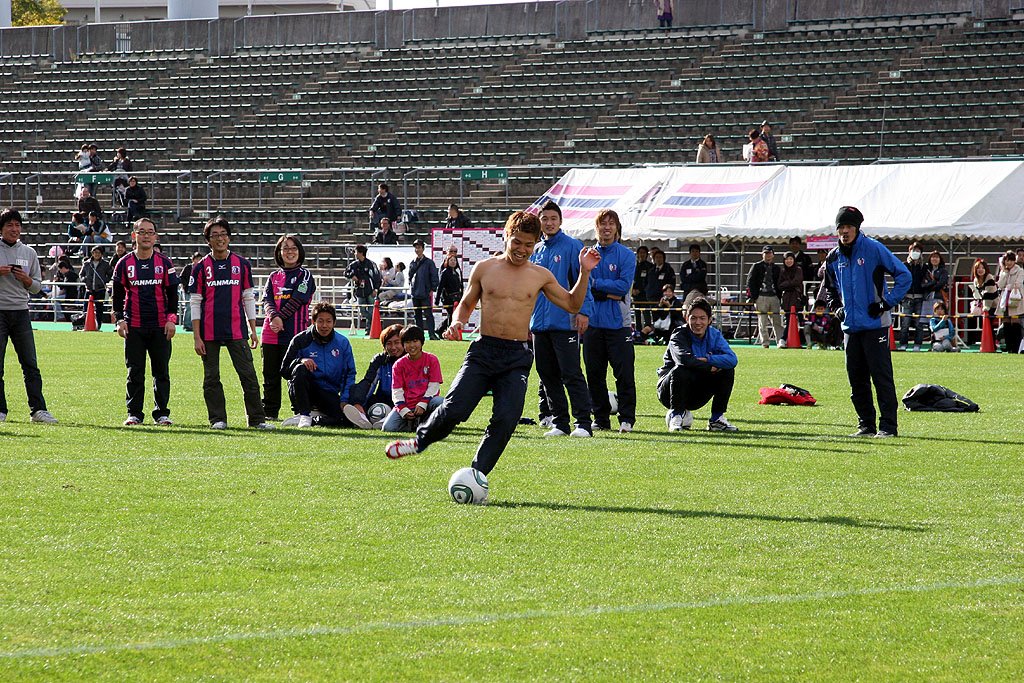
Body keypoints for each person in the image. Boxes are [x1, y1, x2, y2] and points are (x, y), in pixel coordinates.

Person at [384, 211, 600, 478]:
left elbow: (572, 304)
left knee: (506, 419)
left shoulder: (540, 275)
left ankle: (477, 475)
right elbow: (466, 303)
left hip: (516, 355)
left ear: (535, 244)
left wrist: (584, 272)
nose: (522, 249)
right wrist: (458, 321)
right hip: (484, 351)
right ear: (506, 236)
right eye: (517, 242)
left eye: (529, 244)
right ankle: (419, 442)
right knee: (455, 408)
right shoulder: (485, 268)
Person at [823, 206, 911, 438]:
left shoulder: (874, 248)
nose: (844, 231)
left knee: (881, 378)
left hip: (875, 326)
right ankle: (866, 425)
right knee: (856, 380)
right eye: (841, 227)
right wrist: (836, 308)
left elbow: (904, 275)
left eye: (849, 226)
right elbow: (829, 288)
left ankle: (888, 427)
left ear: (857, 228)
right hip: (850, 328)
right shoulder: (833, 256)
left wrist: (886, 303)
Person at [189, 216, 274, 430]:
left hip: (237, 330)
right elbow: (196, 302)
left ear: (229, 237)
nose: (220, 239)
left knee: (248, 375)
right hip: (209, 332)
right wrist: (196, 336)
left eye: (223, 234)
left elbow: (248, 298)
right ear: (208, 240)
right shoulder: (200, 268)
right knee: (211, 377)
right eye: (215, 235)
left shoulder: (241, 264)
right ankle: (218, 419)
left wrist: (253, 329)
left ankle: (257, 420)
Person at [529, 200, 594, 438]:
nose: (549, 223)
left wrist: (583, 311)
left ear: (560, 221)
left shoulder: (572, 246)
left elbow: (584, 281)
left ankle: (583, 423)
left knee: (571, 373)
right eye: (545, 219)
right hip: (539, 324)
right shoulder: (536, 250)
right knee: (547, 374)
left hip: (564, 322)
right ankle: (560, 423)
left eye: (553, 219)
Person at [112, 218, 179, 426]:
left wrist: (171, 320)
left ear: (156, 236)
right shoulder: (124, 263)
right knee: (135, 372)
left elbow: (173, 294)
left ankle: (162, 414)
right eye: (142, 232)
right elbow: (117, 295)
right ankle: (134, 414)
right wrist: (120, 320)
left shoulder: (165, 263)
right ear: (134, 236)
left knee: (161, 372)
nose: (146, 236)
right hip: (134, 326)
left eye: (150, 232)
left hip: (160, 326)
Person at [0, 209, 57, 423]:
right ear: (1, 229)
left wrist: (26, 280)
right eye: (9, 225)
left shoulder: (29, 252)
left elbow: (37, 287)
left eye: (17, 225)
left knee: (30, 364)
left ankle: (38, 410)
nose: (14, 229)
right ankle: (1, 410)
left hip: (21, 312)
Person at [584, 209, 637, 433]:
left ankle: (627, 419)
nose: (606, 227)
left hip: (619, 325)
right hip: (592, 323)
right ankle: (600, 418)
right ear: (596, 228)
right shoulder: (586, 255)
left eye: (611, 223)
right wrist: (608, 291)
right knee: (594, 375)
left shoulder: (626, 255)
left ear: (617, 228)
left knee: (624, 374)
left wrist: (598, 286)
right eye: (602, 223)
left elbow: (622, 287)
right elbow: (584, 286)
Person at [657, 297, 738, 432]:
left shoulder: (714, 335)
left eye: (702, 318)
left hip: (697, 391)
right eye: (693, 318)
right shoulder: (678, 335)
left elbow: (732, 359)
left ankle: (716, 419)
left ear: (709, 320)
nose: (698, 322)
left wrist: (708, 359)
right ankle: (676, 416)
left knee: (727, 370)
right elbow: (684, 360)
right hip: (668, 391)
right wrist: (709, 367)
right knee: (681, 369)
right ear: (686, 318)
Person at [261, 234, 316, 421]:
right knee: (270, 376)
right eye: (285, 248)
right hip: (270, 333)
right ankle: (270, 413)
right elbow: (267, 300)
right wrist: (273, 317)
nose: (289, 252)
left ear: (299, 252)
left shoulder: (305, 275)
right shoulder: (273, 276)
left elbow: (298, 300)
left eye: (293, 248)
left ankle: (300, 412)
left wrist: (279, 318)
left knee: (295, 373)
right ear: (279, 252)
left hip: (294, 334)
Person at [280, 302, 356, 428]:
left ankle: (314, 419)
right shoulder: (300, 340)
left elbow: (350, 373)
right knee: (300, 369)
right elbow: (284, 370)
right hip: (307, 392)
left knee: (345, 421)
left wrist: (344, 399)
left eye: (328, 321)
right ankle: (304, 414)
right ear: (313, 321)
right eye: (320, 321)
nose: (324, 325)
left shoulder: (342, 343)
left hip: (328, 393)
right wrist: (300, 360)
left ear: (334, 323)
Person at [381, 325, 444, 432]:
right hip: (407, 404)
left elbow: (434, 385)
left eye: (415, 341)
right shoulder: (398, 365)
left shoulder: (432, 360)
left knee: (441, 402)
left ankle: (428, 422)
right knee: (388, 428)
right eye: (407, 342)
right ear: (403, 344)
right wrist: (403, 409)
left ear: (422, 342)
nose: (412, 345)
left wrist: (423, 403)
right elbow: (396, 390)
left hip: (428, 402)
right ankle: (417, 424)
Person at [344, 323, 405, 430]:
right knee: (355, 389)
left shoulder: (411, 360)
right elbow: (369, 382)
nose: (393, 347)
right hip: (384, 398)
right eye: (389, 343)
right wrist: (358, 403)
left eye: (397, 343)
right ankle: (362, 416)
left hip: (404, 401)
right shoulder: (380, 360)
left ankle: (385, 419)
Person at [746, 245, 784, 348]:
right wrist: (754, 296)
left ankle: (780, 341)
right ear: (762, 254)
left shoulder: (777, 268)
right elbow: (750, 281)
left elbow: (780, 283)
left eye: (770, 253)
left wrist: (779, 296)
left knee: (777, 320)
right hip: (761, 296)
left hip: (774, 297)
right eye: (766, 253)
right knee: (762, 321)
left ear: (773, 255)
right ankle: (765, 343)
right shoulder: (756, 266)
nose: (768, 255)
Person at [344, 244, 381, 336]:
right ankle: (374, 321)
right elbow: (345, 273)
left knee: (372, 310)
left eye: (356, 252)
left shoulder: (371, 264)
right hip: (359, 291)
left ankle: (369, 330)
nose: (354, 253)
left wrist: (376, 289)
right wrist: (352, 276)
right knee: (362, 310)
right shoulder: (354, 264)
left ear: (361, 253)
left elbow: (377, 277)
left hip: (370, 290)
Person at [408, 239, 440, 340]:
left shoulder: (429, 263)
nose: (417, 250)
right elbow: (410, 276)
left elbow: (434, 276)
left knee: (428, 314)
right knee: (417, 315)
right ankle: (419, 335)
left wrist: (432, 289)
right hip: (415, 293)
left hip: (425, 292)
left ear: (423, 248)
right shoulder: (412, 262)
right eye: (416, 248)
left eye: (419, 247)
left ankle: (432, 334)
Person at [995, 250, 1024, 354]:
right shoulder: (1003, 271)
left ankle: (1016, 347)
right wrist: (1005, 273)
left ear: (1014, 261)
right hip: (1004, 299)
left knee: (1015, 321)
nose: (1009, 263)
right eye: (1007, 260)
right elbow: (1000, 285)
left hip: (1015, 298)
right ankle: (1009, 347)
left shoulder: (1020, 270)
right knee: (1006, 322)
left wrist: (1008, 287)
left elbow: (1019, 283)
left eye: (1011, 260)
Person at [79, 245, 112, 330]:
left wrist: (104, 280)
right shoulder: (87, 263)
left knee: (99, 309)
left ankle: (98, 325)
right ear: (92, 253)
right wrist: (85, 280)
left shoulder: (105, 264)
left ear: (101, 254)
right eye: (95, 252)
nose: (96, 254)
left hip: (100, 289)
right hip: (89, 289)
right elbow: (81, 274)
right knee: (85, 308)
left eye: (98, 253)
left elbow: (110, 274)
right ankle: (84, 325)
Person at [778, 251, 805, 345]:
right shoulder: (782, 271)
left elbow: (797, 281)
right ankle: (784, 339)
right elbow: (780, 285)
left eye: (791, 259)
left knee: (800, 320)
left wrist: (787, 284)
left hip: (797, 298)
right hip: (786, 300)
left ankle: (787, 339)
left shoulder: (798, 269)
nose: (788, 261)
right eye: (786, 259)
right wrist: (790, 284)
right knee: (788, 319)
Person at [436, 253, 463, 337]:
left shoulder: (457, 273)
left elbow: (460, 286)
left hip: (456, 298)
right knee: (451, 315)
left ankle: (440, 329)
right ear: (447, 262)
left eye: (455, 260)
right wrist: (437, 300)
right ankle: (447, 332)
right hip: (448, 298)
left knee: (452, 315)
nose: (453, 262)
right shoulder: (445, 272)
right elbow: (440, 287)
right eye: (451, 260)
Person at [678, 243, 709, 308]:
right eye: (693, 251)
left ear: (699, 253)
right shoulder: (685, 264)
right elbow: (683, 277)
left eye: (696, 251)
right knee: (686, 308)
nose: (695, 253)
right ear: (690, 253)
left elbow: (701, 277)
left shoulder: (702, 264)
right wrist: (694, 276)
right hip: (687, 290)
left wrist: (689, 276)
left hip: (699, 290)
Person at [179, 251, 203, 332]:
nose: (198, 260)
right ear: (193, 259)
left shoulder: (201, 268)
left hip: (198, 292)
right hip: (187, 291)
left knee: (198, 308)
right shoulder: (188, 268)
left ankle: (196, 325)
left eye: (200, 259)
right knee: (188, 307)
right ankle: (187, 325)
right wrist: (186, 287)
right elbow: (182, 278)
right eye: (197, 259)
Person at [632, 245, 654, 331]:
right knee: (636, 313)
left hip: (645, 295)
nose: (642, 254)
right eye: (640, 253)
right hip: (635, 295)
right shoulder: (633, 265)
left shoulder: (650, 266)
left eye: (644, 253)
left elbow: (650, 281)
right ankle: (637, 331)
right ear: (637, 254)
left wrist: (640, 290)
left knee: (646, 313)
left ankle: (647, 331)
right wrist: (632, 290)